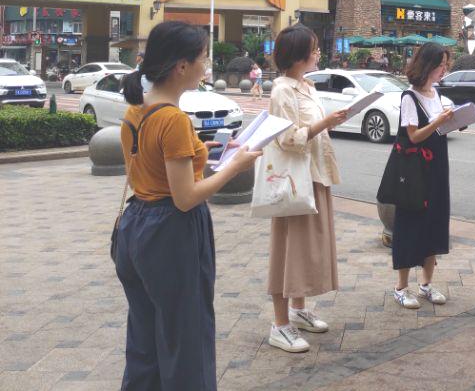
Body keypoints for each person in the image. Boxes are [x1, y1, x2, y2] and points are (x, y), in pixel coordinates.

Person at [114, 22, 261, 389]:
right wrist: (236, 167)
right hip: (171, 233)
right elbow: (185, 198)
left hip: (135, 227)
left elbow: (146, 169)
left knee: (144, 337)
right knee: (186, 337)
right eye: (203, 58)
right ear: (181, 66)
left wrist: (199, 152)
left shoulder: (135, 111)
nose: (206, 66)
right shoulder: (174, 120)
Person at [266, 25, 351, 353]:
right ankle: (279, 324)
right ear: (298, 55)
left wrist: (327, 123)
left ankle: (298, 310)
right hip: (294, 181)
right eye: (313, 49)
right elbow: (287, 139)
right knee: (288, 250)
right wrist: (325, 123)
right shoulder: (282, 91)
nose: (318, 54)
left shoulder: (307, 86)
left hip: (315, 175)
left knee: (305, 249)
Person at [392, 42, 456, 310]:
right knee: (410, 225)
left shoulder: (436, 93)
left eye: (445, 65)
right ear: (427, 65)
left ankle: (426, 284)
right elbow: (414, 136)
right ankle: (401, 287)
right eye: (440, 65)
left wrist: (454, 121)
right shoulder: (410, 97)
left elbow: (437, 130)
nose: (444, 69)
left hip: (437, 167)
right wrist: (438, 121)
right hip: (415, 171)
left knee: (435, 223)